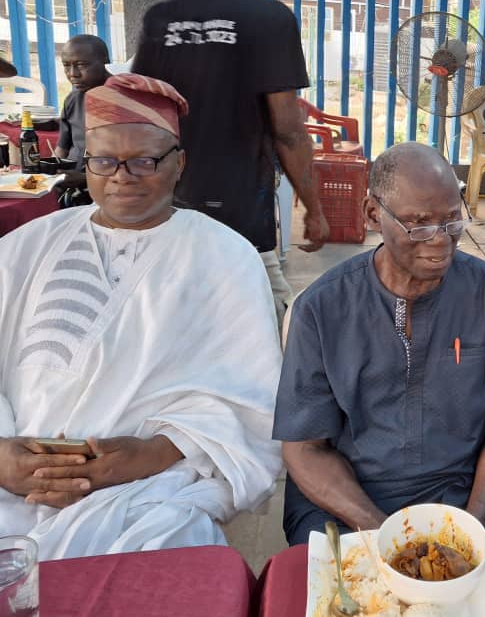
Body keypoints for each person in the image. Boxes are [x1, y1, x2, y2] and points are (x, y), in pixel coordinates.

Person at [0, 74, 282, 559]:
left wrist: (149, 455)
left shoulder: (225, 257)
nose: (121, 176)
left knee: (171, 554)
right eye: (104, 161)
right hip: (12, 484)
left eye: (143, 161)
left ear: (179, 164)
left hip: (147, 493)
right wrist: (4, 459)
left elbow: (250, 404)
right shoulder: (26, 247)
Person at [274, 142, 485, 543]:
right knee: (328, 579)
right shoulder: (321, 309)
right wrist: (391, 538)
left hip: (465, 491)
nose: (440, 241)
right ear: (373, 213)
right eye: (419, 224)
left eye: (452, 221)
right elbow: (304, 449)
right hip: (348, 500)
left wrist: (468, 528)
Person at [132, 0, 328, 322]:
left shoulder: (160, 19)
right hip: (242, 212)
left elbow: (140, 115)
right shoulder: (269, 18)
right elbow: (288, 130)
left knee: (182, 318)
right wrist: (314, 208)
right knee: (264, 324)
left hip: (170, 206)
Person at [56, 34, 112, 169]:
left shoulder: (124, 99)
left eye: (81, 65)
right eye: (66, 66)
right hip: (71, 176)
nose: (72, 73)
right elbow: (61, 149)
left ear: (105, 61)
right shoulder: (73, 99)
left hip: (107, 176)